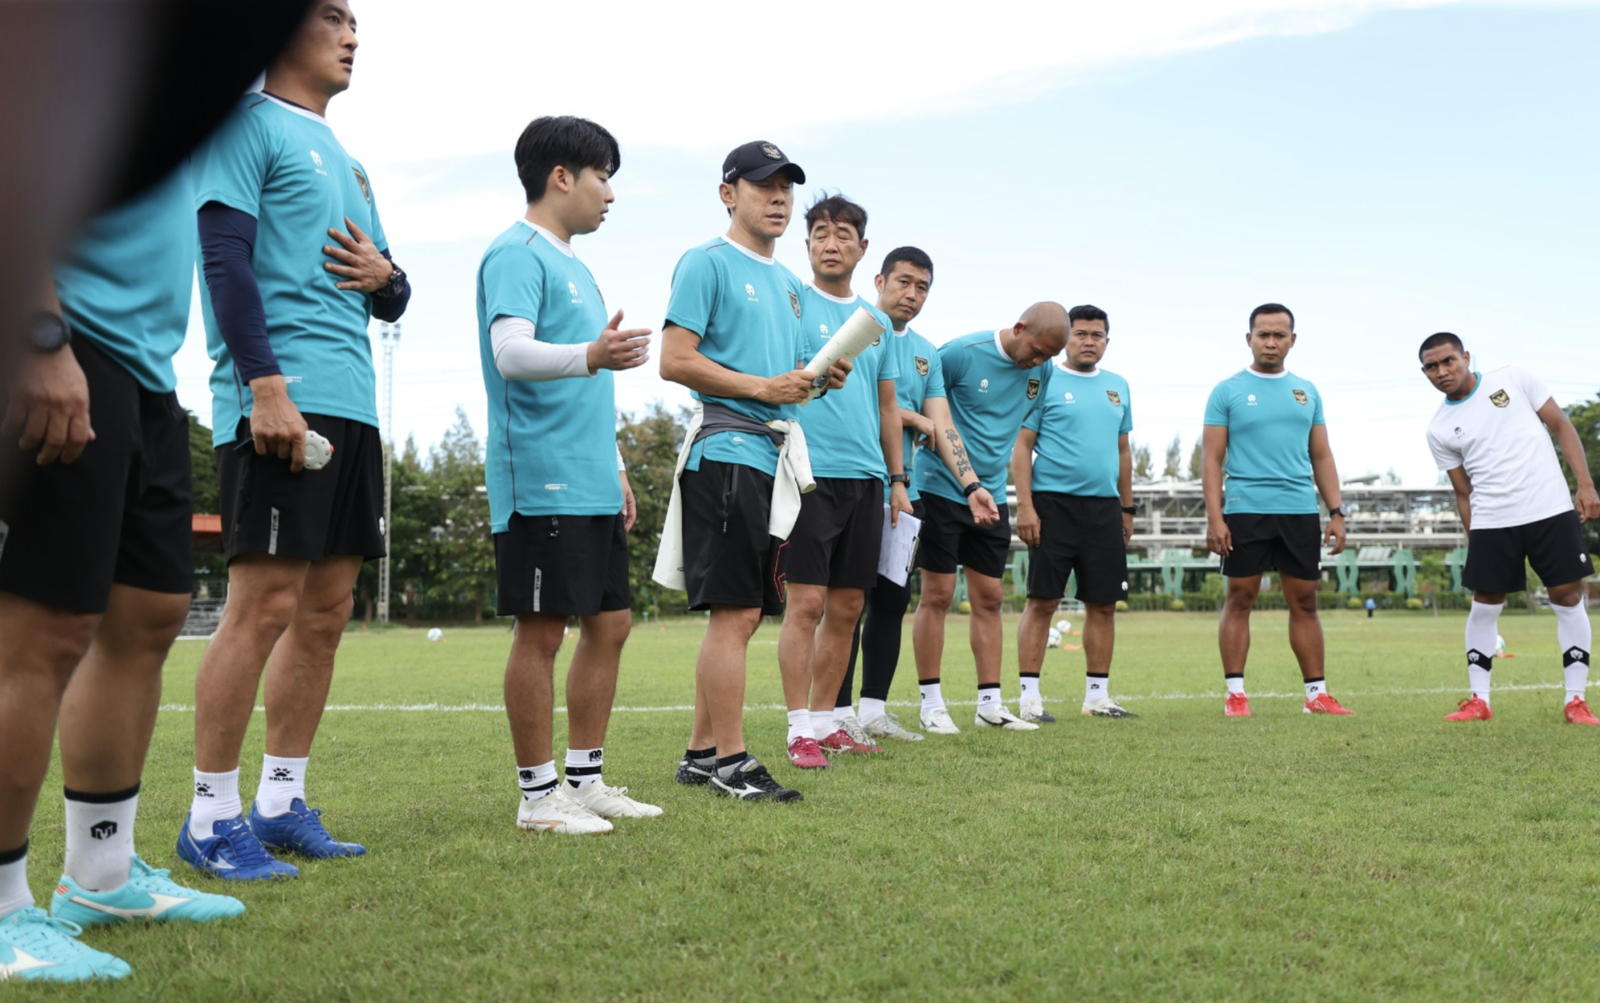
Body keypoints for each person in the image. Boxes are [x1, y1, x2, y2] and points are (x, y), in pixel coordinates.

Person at [180, 0, 411, 878]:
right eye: (332, 17)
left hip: (354, 408)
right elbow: (225, 258)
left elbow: (390, 292)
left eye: (357, 22)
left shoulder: (351, 163)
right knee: (264, 606)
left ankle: (280, 801)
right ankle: (209, 817)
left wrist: (390, 276)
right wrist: (263, 388)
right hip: (282, 401)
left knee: (324, 612)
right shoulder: (245, 124)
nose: (353, 34)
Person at [0, 162, 244, 983]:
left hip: (144, 369)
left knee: (148, 611)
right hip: (65, 338)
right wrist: (40, 331)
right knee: (47, 622)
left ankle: (101, 877)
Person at [476, 116, 663, 834]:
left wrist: (616, 464)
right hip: (541, 475)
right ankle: (537, 796)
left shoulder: (577, 264)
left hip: (589, 476)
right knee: (543, 629)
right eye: (603, 176)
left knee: (610, 623)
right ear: (563, 176)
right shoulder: (515, 253)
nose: (610, 193)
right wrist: (591, 352)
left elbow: (591, 377)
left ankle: (585, 781)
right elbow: (511, 353)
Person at [655, 141, 847, 802]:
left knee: (744, 614)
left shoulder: (791, 287)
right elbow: (674, 360)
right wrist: (765, 389)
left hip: (771, 459)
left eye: (787, 187)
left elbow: (789, 383)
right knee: (734, 615)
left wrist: (821, 379)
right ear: (727, 192)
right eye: (764, 185)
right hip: (726, 452)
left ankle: (701, 752)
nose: (779, 198)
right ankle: (732, 763)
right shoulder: (705, 263)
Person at [834, 248, 998, 741]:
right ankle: (835, 713)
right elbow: (849, 400)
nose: (911, 294)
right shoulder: (856, 331)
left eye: (922, 287)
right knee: (847, 602)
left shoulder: (927, 351)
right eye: (903, 282)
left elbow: (942, 424)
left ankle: (872, 711)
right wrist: (912, 418)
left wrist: (972, 486)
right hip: (858, 482)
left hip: (909, 493)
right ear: (880, 279)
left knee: (892, 601)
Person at [776, 195, 911, 769]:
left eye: (843, 234)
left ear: (862, 247)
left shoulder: (877, 324)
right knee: (805, 603)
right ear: (807, 244)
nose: (830, 243)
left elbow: (887, 407)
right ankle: (798, 728)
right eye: (820, 234)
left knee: (849, 605)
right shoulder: (790, 303)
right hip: (808, 475)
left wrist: (897, 479)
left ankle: (830, 721)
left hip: (867, 481)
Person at [1418, 333, 1598, 723]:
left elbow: (1562, 427)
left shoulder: (1514, 377)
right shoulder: (1439, 428)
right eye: (1431, 367)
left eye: (1448, 361)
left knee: (1567, 596)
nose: (1442, 371)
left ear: (1466, 356)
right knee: (1485, 602)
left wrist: (1584, 484)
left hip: (1549, 508)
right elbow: (1462, 491)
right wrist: (1473, 538)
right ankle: (1479, 700)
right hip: (1492, 520)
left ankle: (1575, 700)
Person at [912, 304, 1067, 733]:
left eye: (1047, 356)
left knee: (990, 599)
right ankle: (931, 704)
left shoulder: (1043, 370)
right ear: (1018, 328)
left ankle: (990, 705)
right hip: (940, 489)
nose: (1037, 361)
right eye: (1035, 350)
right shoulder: (961, 353)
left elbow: (1015, 427)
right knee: (938, 594)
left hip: (992, 498)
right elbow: (921, 408)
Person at [1201, 303, 1351, 718]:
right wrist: (1216, 517)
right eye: (1263, 334)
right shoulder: (1226, 390)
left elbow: (1321, 455)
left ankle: (1316, 695)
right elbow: (1211, 460)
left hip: (1299, 511)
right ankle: (1235, 695)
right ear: (1248, 337)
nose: (1270, 342)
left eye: (1279, 335)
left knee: (1305, 602)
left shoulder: (1307, 391)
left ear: (1292, 340)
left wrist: (1336, 511)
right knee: (1240, 598)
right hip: (1246, 510)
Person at [1011, 304, 1137, 721]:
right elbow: (1022, 446)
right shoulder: (1043, 379)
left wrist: (1127, 508)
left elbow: (1123, 451)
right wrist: (1026, 507)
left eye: (1096, 335)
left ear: (1106, 340)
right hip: (1053, 506)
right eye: (1080, 333)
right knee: (1043, 600)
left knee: (1103, 603)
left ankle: (1097, 697)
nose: (1088, 341)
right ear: (1066, 337)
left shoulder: (1118, 386)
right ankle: (1029, 699)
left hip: (1104, 510)